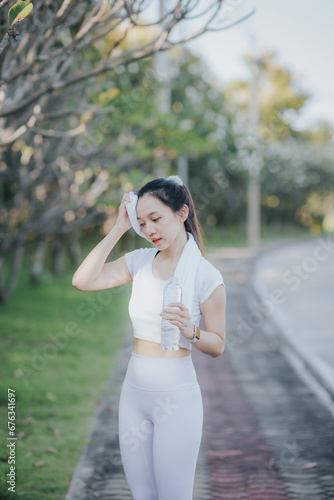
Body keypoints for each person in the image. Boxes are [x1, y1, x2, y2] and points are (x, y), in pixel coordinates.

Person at [72, 175, 226, 500]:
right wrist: (118, 229)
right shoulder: (140, 262)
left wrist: (191, 331)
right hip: (133, 395)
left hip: (176, 399)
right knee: (142, 495)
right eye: (141, 223)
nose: (150, 229)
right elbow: (82, 281)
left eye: (156, 219)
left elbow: (217, 345)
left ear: (182, 213)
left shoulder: (206, 276)